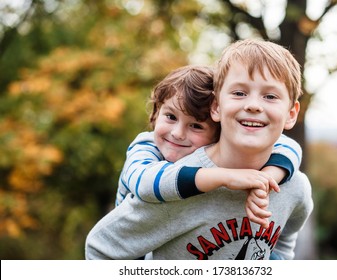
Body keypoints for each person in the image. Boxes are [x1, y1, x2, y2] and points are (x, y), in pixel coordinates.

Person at [85, 38, 313, 260]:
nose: (253, 105)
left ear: (291, 114)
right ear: (216, 106)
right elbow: (101, 247)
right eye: (239, 93)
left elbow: (286, 236)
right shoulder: (177, 187)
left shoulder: (294, 186)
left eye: (270, 96)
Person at [115, 65, 302, 227]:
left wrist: (265, 180)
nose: (177, 133)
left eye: (196, 126)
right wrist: (224, 177)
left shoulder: (213, 150)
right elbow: (144, 184)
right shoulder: (146, 146)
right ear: (156, 113)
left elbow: (289, 147)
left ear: (218, 133)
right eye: (170, 117)